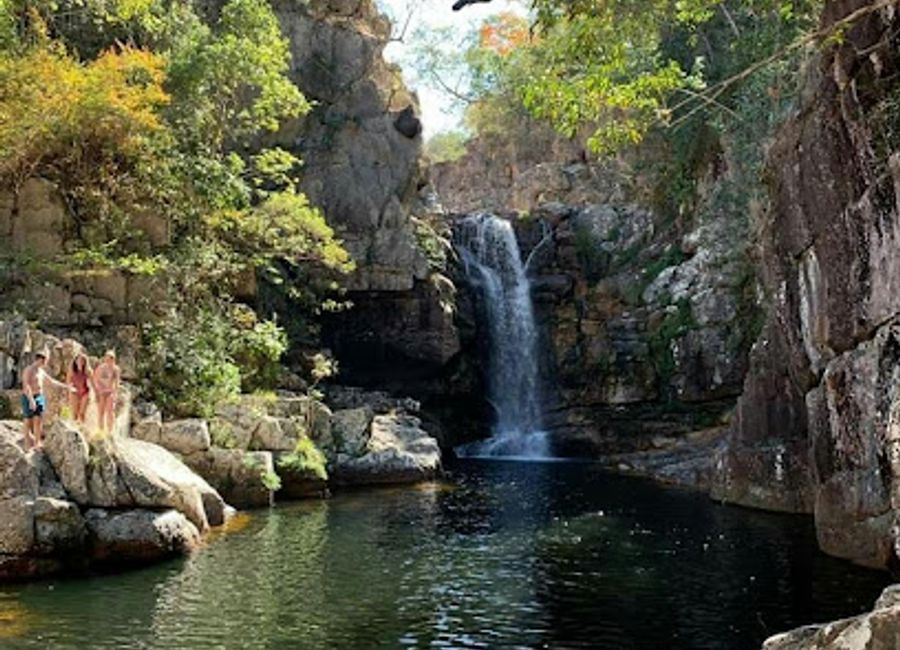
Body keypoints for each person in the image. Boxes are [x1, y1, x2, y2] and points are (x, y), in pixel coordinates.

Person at [20, 349, 73, 450]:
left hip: (39, 396)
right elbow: (26, 385)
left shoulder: (41, 371)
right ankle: (27, 444)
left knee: (38, 420)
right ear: (40, 359)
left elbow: (52, 382)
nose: (46, 363)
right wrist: (31, 400)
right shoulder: (28, 370)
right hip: (28, 397)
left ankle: (37, 443)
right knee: (28, 420)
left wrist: (66, 387)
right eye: (46, 360)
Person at [93, 350, 121, 434]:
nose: (109, 360)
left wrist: (116, 393)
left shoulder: (116, 369)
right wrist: (97, 390)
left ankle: (110, 431)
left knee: (110, 411)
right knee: (100, 411)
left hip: (110, 391)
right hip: (101, 391)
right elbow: (95, 379)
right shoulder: (100, 368)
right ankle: (100, 430)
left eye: (111, 358)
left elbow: (117, 382)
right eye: (108, 357)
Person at [66, 353, 93, 425]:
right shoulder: (71, 370)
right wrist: (70, 389)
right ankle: (75, 427)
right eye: (79, 360)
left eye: (82, 360)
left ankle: (82, 427)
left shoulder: (88, 371)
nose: (80, 362)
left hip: (85, 392)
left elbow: (92, 383)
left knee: (82, 413)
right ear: (75, 361)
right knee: (74, 413)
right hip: (74, 392)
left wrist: (94, 393)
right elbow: (68, 382)